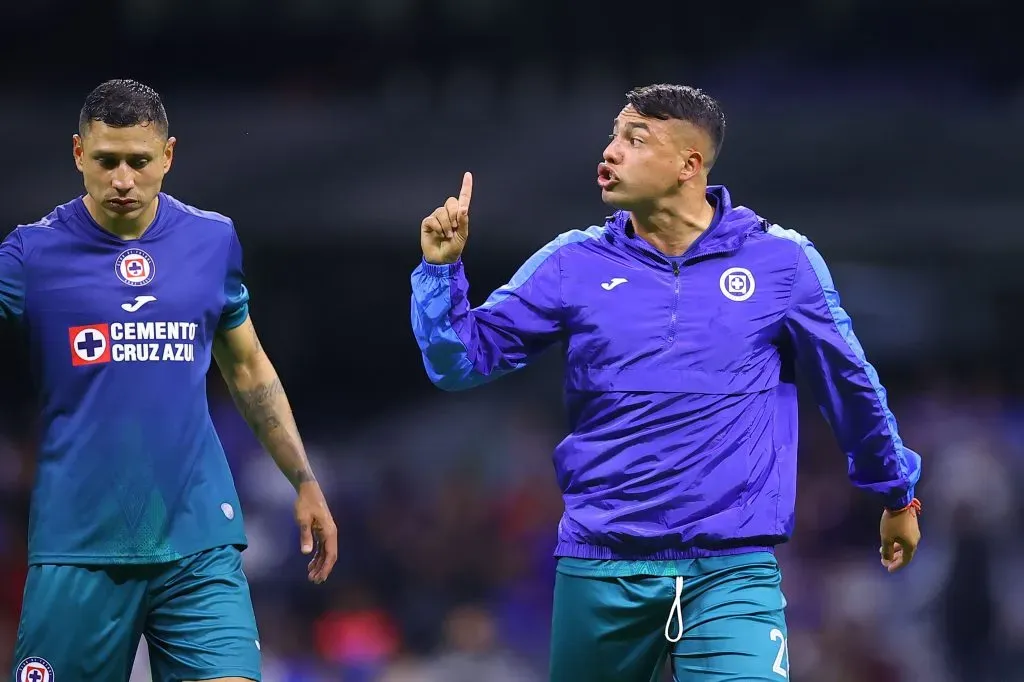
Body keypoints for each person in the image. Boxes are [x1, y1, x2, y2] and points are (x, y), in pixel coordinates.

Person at [410, 83, 922, 681]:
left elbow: (850, 385)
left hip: (731, 571)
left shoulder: (782, 263)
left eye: (634, 139)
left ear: (689, 164)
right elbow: (462, 363)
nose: (609, 152)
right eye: (612, 137)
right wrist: (440, 272)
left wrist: (896, 492)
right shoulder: (574, 263)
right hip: (600, 570)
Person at [0, 79, 338, 682]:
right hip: (80, 546)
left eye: (139, 161)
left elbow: (247, 366)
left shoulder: (211, 240)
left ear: (169, 156)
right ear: (79, 155)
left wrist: (303, 479)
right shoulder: (32, 255)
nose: (123, 179)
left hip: (198, 536)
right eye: (106, 161)